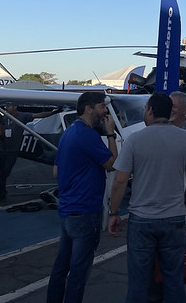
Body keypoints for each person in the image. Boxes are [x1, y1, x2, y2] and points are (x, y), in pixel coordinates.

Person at [108, 93, 186, 303]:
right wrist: (185, 202)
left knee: (139, 281)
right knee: (174, 279)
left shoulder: (135, 139)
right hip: (174, 218)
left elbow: (120, 181)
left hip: (141, 219)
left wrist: (113, 212)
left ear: (150, 110)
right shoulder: (185, 137)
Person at [46, 92, 118, 303]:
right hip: (86, 210)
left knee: (61, 266)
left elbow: (56, 172)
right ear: (89, 108)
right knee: (79, 271)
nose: (105, 111)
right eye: (102, 106)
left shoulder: (69, 133)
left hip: (67, 209)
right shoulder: (88, 135)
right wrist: (111, 134)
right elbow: (112, 164)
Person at [0, 102, 55, 205]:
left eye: (9, 106)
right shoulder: (3, 118)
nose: (6, 108)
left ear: (15, 106)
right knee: (0, 172)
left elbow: (38, 115)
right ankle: (0, 192)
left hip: (13, 150)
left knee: (5, 172)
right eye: (6, 106)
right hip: (2, 149)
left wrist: (54, 112)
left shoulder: (22, 116)